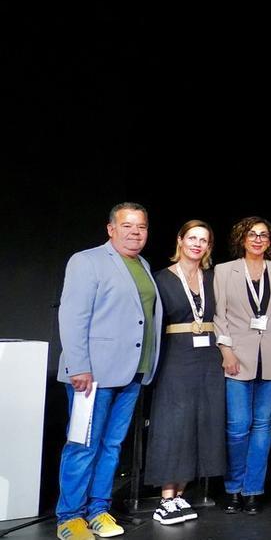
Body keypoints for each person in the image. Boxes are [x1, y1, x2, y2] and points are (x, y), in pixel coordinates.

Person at [55, 203, 163, 540]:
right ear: (110, 229)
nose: (135, 232)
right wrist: (80, 366)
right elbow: (73, 316)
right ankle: (69, 517)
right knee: (83, 445)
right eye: (127, 225)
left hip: (132, 372)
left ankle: (98, 509)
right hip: (92, 375)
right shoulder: (87, 261)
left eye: (141, 226)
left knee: (113, 446)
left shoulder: (143, 264)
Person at [145, 220, 224, 526]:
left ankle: (181, 494)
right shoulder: (161, 278)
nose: (197, 244)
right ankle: (166, 497)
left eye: (203, 240)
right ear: (180, 240)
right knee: (174, 423)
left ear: (208, 247)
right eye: (192, 238)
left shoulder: (211, 277)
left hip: (209, 356)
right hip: (176, 355)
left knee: (201, 422)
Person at [214, 216, 271, 515]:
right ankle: (233, 488)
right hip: (237, 358)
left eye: (264, 235)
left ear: (270, 241)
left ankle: (253, 490)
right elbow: (219, 314)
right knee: (237, 428)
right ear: (241, 238)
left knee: (263, 427)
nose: (258, 239)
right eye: (252, 234)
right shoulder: (224, 270)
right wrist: (226, 351)